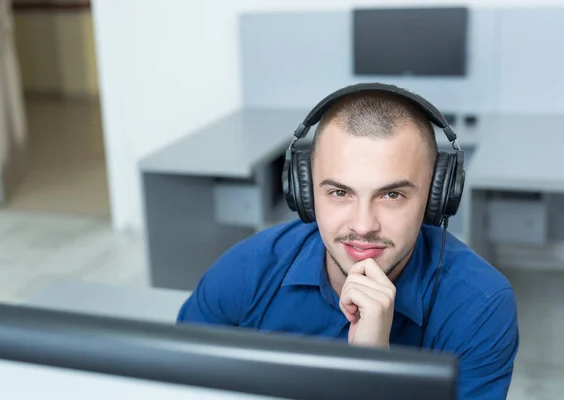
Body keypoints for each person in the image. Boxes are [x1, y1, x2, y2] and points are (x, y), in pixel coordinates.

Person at [176, 83, 519, 399]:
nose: (363, 225)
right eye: (340, 192)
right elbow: (178, 384)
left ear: (436, 198)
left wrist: (372, 368)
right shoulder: (247, 270)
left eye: (392, 195)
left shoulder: (481, 306)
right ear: (305, 192)